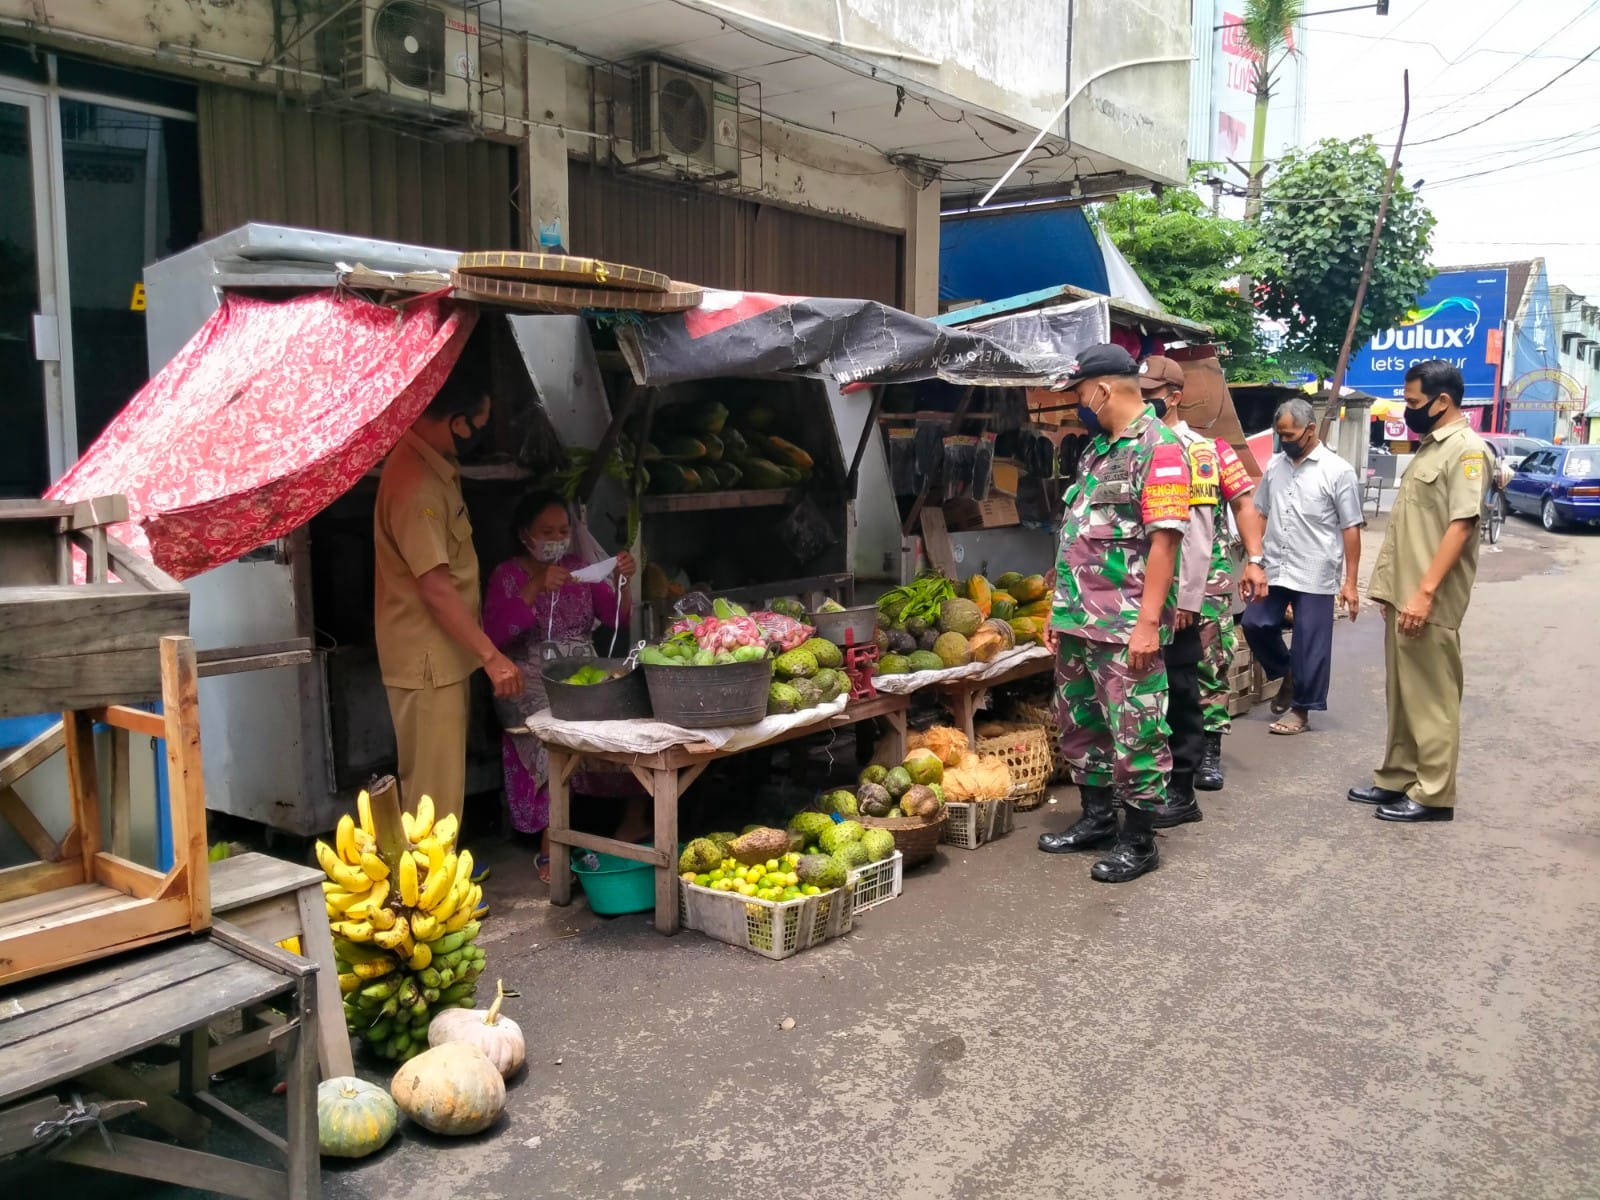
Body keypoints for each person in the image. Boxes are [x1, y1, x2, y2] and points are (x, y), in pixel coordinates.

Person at [1037, 344, 1190, 883]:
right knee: (1081, 724)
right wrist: (1058, 611)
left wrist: (1148, 624)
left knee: (1137, 732)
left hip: (1126, 626)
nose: (1080, 403)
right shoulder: (1097, 450)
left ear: (1103, 389)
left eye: (1081, 393)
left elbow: (1165, 544)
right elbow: (1078, 537)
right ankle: (1097, 819)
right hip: (1079, 620)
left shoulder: (1160, 449)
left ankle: (1139, 841)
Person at [374, 364, 523, 825]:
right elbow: (435, 587)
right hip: (428, 661)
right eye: (479, 424)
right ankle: (427, 873)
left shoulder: (432, 465)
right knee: (431, 797)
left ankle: (436, 867)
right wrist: (491, 656)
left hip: (441, 655)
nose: (480, 434)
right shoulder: (416, 486)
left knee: (438, 787)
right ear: (457, 421)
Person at [483, 492, 647, 880]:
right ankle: (550, 846)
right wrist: (535, 586)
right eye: (547, 532)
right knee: (555, 737)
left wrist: (623, 580)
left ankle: (634, 821)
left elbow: (617, 619)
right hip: (526, 681)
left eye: (563, 530)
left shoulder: (579, 569)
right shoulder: (507, 575)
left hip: (583, 674)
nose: (558, 538)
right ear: (525, 535)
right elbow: (495, 633)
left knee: (634, 718)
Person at [1349, 361, 1486, 822]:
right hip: (1405, 593)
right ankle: (1397, 776)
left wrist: (1425, 593)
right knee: (1404, 693)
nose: (1408, 410)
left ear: (1442, 401)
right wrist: (1393, 591)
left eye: (1413, 402)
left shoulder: (1466, 451)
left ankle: (1433, 793)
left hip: (1431, 595)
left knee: (1432, 697)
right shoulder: (1430, 449)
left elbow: (1461, 525)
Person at [1139, 357, 1268, 792]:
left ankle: (1208, 749)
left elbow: (1244, 503)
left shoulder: (1209, 451)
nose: (1142, 402)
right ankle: (1158, 752)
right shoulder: (1132, 448)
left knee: (1208, 664)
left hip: (1205, 579)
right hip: (1143, 579)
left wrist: (1255, 559)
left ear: (1174, 397)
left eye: (1150, 395)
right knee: (1152, 667)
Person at [1240, 397, 1364, 736]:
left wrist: (1350, 582)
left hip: (1315, 569)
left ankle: (1301, 710)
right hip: (1275, 564)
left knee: (1310, 641)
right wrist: (1253, 561)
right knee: (1255, 622)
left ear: (1310, 429)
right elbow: (1260, 513)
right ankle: (1288, 672)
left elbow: (1350, 528)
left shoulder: (1338, 471)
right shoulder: (1274, 467)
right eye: (1280, 434)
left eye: (1290, 435)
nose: (1284, 441)